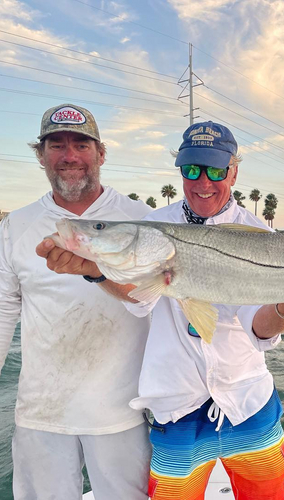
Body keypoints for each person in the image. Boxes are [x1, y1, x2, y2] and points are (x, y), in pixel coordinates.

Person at [37, 120, 284, 500]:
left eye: (216, 170)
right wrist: (95, 270)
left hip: (247, 400)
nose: (203, 182)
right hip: (177, 406)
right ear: (180, 170)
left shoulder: (260, 235)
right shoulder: (155, 227)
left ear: (233, 171)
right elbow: (139, 297)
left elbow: (260, 330)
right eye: (191, 169)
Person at [0, 103, 153, 500]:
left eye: (82, 145)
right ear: (40, 156)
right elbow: (2, 311)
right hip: (41, 413)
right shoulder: (16, 225)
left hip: (123, 412)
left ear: (101, 154)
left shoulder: (142, 218)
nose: (69, 157)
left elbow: (164, 304)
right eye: (56, 145)